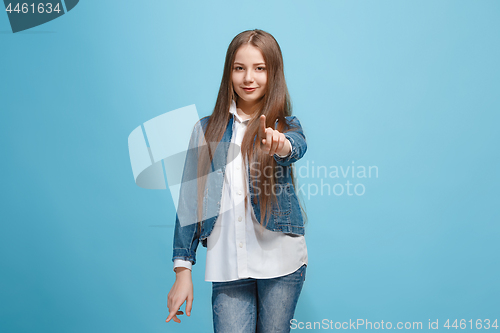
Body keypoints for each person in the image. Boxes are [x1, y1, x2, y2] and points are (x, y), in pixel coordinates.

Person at [166, 29, 308, 333]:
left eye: (259, 68)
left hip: (281, 262)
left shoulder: (285, 125)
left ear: (273, 73)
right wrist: (182, 270)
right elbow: (190, 203)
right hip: (228, 264)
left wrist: (280, 144)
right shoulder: (206, 130)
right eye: (239, 68)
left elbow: (294, 147)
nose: (248, 78)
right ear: (229, 72)